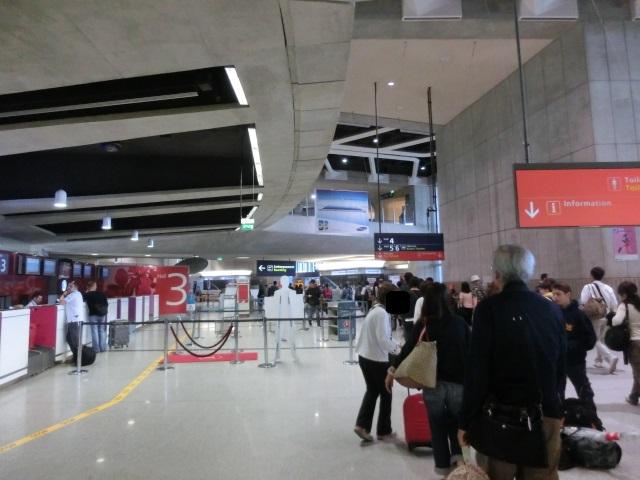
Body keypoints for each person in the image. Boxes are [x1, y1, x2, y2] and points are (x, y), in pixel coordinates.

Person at [459, 245, 566, 480]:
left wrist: (466, 420)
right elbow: (560, 364)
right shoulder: (551, 309)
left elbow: (477, 371)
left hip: (500, 418)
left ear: (497, 273)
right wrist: (558, 405)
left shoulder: (489, 310)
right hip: (546, 414)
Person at [387, 283, 469, 477]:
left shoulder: (424, 324)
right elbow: (472, 353)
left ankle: (442, 468)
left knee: (437, 426)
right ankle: (459, 463)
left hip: (433, 384)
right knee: (457, 423)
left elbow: (407, 349)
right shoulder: (460, 323)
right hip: (458, 384)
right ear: (447, 300)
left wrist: (391, 371)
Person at [354, 282, 400, 442]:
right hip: (376, 360)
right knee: (386, 393)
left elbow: (384, 337)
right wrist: (398, 350)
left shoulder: (376, 309)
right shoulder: (382, 313)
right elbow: (383, 340)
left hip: (365, 356)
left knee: (372, 391)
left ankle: (362, 426)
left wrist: (396, 344)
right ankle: (384, 431)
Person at [551, 282, 597, 405]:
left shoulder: (579, 315)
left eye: (558, 294)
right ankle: (559, 413)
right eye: (554, 294)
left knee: (583, 389)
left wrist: (571, 346)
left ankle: (589, 411)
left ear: (568, 294)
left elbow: (590, 340)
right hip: (557, 360)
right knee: (557, 392)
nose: (555, 297)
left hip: (575, 361)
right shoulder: (553, 314)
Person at [580, 266, 619, 373]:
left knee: (595, 339)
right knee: (601, 338)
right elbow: (614, 303)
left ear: (591, 275)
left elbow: (583, 301)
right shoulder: (608, 288)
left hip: (594, 316)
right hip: (606, 315)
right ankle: (599, 361)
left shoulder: (588, 287)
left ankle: (610, 357)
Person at [611, 281, 640, 405]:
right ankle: (633, 396)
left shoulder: (625, 305)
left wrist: (613, 316)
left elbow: (616, 321)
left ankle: (634, 396)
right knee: (637, 372)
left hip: (635, 343)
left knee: (638, 372)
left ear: (624, 294)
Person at [59, 281, 86, 361]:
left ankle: (79, 359)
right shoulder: (77, 294)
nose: (68, 288)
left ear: (75, 287)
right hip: (74, 320)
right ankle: (76, 356)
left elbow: (61, 302)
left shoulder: (74, 294)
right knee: (69, 338)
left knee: (75, 341)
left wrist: (64, 294)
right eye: (68, 286)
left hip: (74, 320)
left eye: (70, 286)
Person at [84, 281, 108, 353]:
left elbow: (82, 299)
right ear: (94, 286)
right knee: (102, 330)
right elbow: (106, 303)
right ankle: (102, 348)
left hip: (93, 315)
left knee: (94, 331)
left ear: (88, 287)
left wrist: (86, 291)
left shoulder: (87, 295)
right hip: (102, 314)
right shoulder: (101, 294)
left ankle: (96, 349)